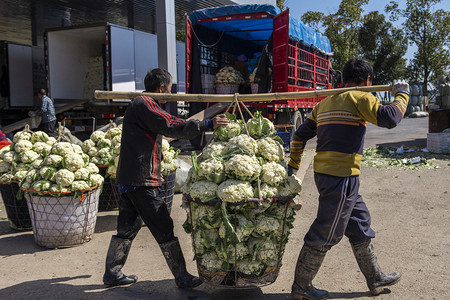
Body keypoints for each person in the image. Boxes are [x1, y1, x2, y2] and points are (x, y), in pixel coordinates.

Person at [288, 58, 409, 300]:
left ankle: (374, 277)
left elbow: (299, 136)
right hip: (340, 177)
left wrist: (292, 165)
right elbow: (391, 118)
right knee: (327, 230)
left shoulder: (324, 103)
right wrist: (402, 93)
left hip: (329, 175)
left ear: (343, 79)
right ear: (367, 81)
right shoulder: (360, 97)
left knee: (359, 223)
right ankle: (301, 286)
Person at [103, 68, 229, 288]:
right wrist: (207, 124)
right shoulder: (145, 104)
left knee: (126, 228)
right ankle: (181, 277)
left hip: (129, 178)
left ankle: (112, 273)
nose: (170, 93)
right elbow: (171, 124)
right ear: (162, 87)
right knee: (163, 226)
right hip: (140, 180)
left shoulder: (140, 104)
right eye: (170, 89)